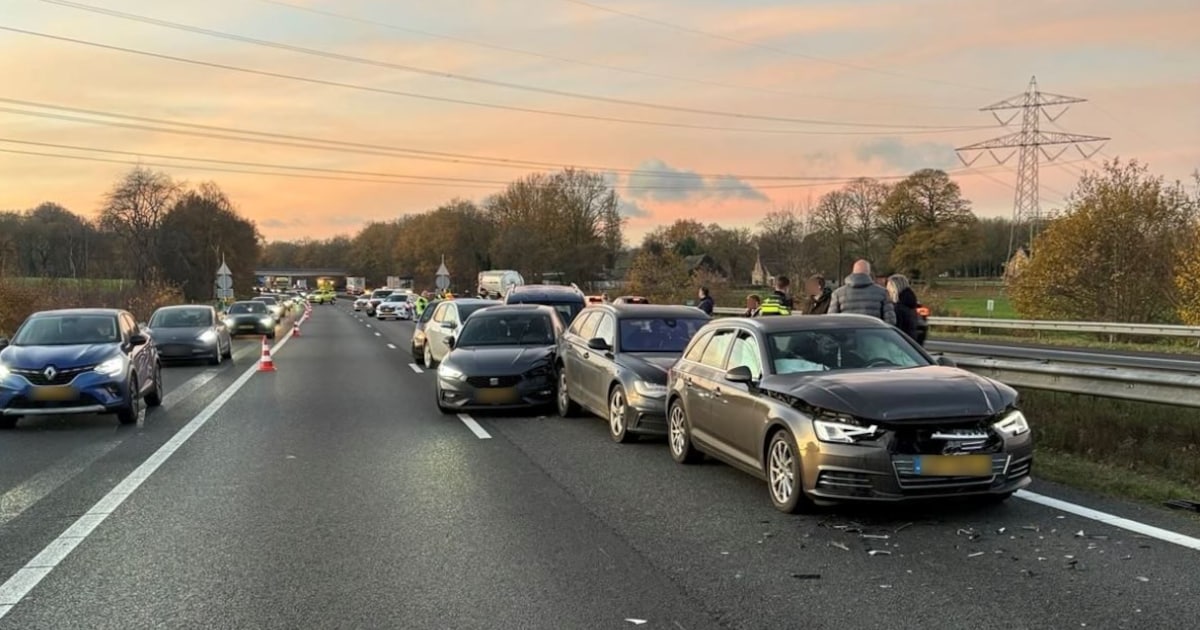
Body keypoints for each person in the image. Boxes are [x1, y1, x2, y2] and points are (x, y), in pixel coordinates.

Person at [828, 259, 896, 325]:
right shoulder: (882, 293)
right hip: (873, 333)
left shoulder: (838, 294)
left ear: (853, 272)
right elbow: (890, 321)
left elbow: (831, 320)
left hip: (846, 334)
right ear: (868, 273)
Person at [887, 274, 922, 341]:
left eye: (889, 287)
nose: (887, 290)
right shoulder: (910, 304)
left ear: (895, 288)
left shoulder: (898, 308)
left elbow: (896, 329)